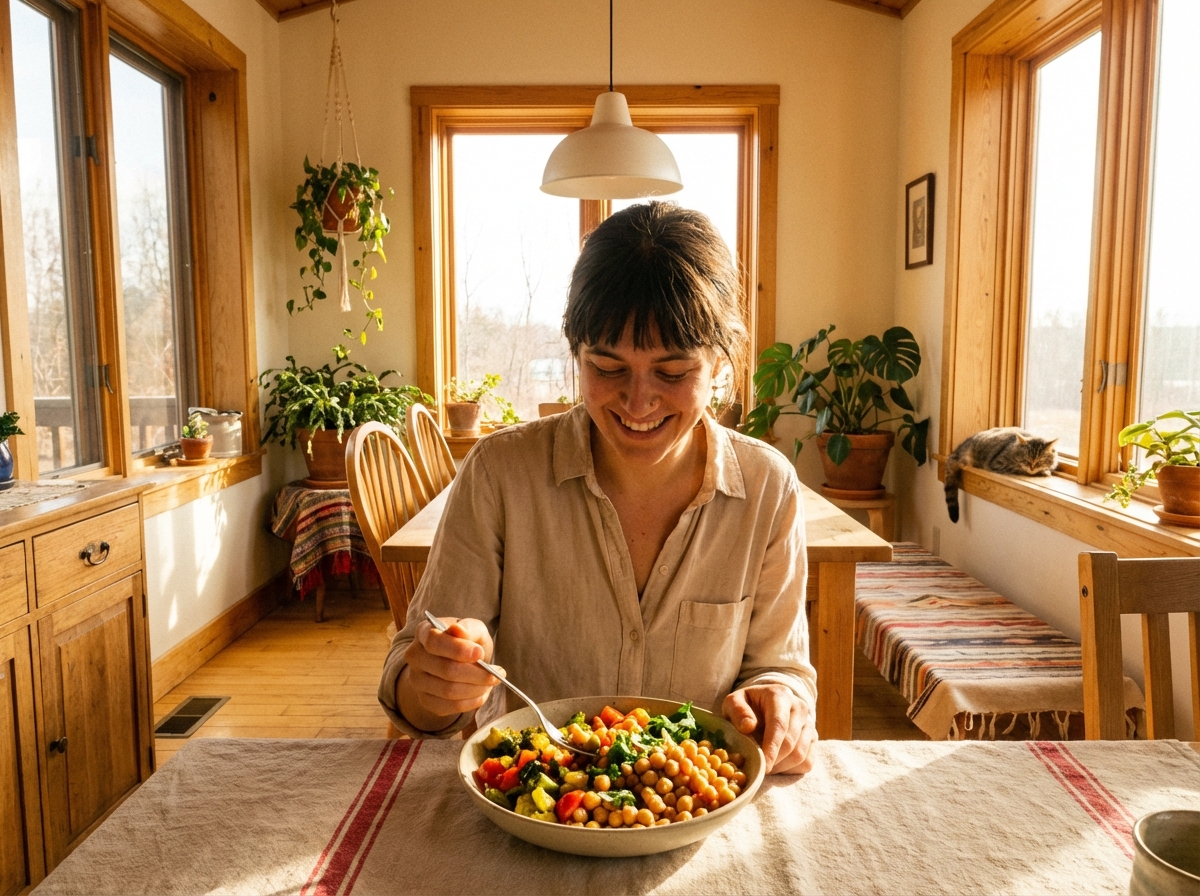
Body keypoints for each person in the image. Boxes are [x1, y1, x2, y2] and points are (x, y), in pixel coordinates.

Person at [378, 202, 817, 774]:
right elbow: (415, 690)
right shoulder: (499, 473)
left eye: (673, 371)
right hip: (534, 799)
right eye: (607, 368)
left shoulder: (766, 488)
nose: (638, 403)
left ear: (719, 365)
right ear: (576, 354)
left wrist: (778, 701)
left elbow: (779, 668)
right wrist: (436, 685)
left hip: (696, 803)